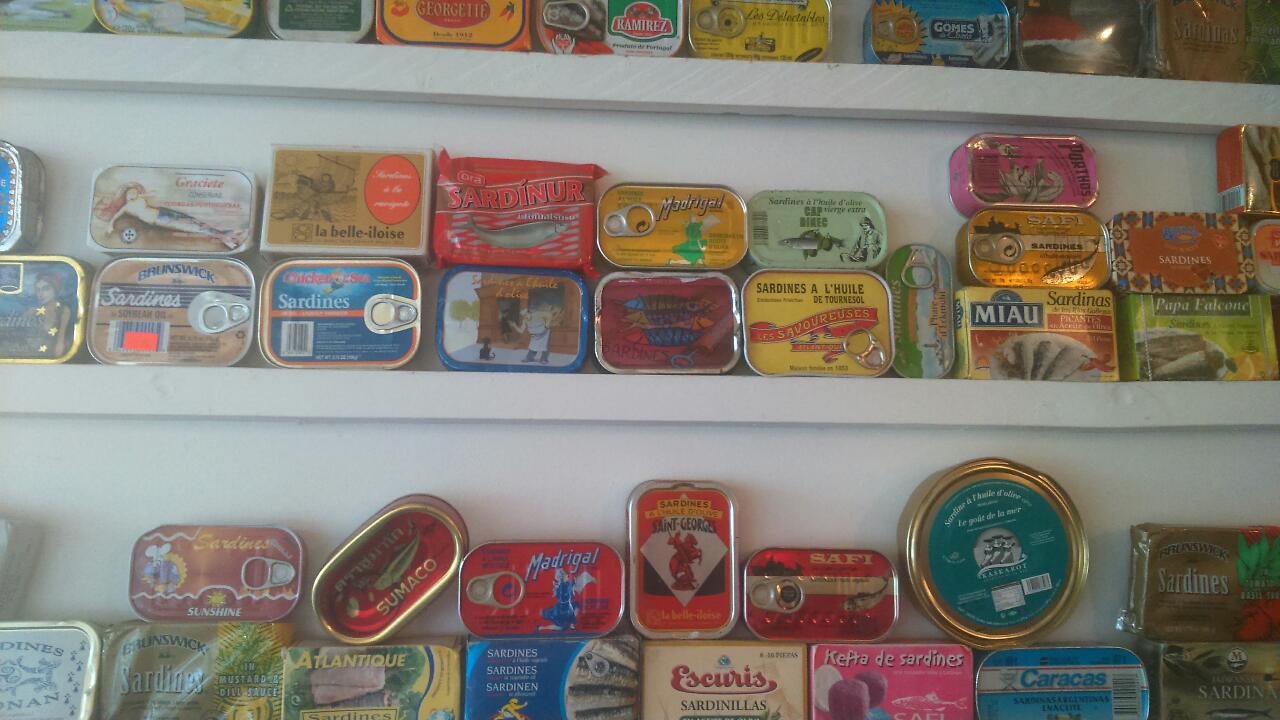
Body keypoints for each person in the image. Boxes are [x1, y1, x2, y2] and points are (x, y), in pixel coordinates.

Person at [94, 182, 246, 249]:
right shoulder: (128, 207)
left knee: (193, 222)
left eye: (134, 192)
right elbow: (116, 216)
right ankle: (225, 237)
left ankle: (225, 234)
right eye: (130, 194)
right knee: (191, 228)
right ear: (125, 197)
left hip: (162, 213)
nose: (133, 195)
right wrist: (110, 227)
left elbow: (152, 193)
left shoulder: (140, 199)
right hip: (160, 220)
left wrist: (142, 195)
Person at [26, 271, 72, 357]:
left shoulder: (63, 310)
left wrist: (57, 359)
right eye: (38, 290)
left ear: (55, 289)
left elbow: (61, 339)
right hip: (31, 354)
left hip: (53, 355)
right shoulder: (32, 311)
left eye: (46, 289)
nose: (41, 294)